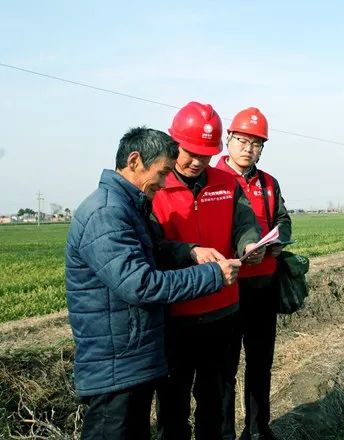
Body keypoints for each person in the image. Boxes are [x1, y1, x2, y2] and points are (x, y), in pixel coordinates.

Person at [65, 127, 241, 440]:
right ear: (134, 161)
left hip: (131, 358)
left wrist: (189, 251)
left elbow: (152, 250)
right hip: (115, 364)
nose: (163, 183)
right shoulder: (106, 213)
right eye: (161, 174)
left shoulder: (127, 206)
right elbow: (140, 284)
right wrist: (213, 276)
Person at [152, 101, 266, 440]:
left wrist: (249, 244)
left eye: (206, 155)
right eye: (190, 153)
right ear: (173, 143)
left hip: (223, 312)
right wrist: (188, 251)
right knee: (173, 404)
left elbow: (245, 223)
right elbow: (150, 245)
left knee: (215, 401)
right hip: (175, 315)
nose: (197, 162)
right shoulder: (155, 187)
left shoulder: (227, 183)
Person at [216, 107, 292, 440]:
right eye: (242, 141)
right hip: (226, 290)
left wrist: (279, 241)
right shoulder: (213, 179)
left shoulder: (269, 184)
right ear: (228, 140)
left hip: (263, 285)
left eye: (256, 144)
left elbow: (283, 220)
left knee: (260, 362)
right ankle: (224, 433)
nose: (248, 149)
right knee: (224, 369)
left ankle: (258, 429)